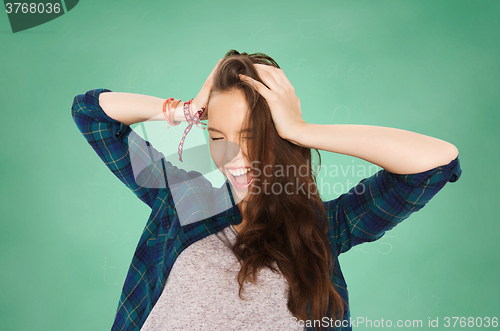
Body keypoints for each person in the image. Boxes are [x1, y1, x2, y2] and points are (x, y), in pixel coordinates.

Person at [71, 50, 462, 331]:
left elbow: (435, 163)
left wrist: (301, 130)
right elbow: (91, 114)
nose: (234, 157)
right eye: (218, 135)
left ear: (278, 139)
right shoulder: (184, 200)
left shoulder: (324, 229)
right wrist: (184, 110)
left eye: (252, 137)